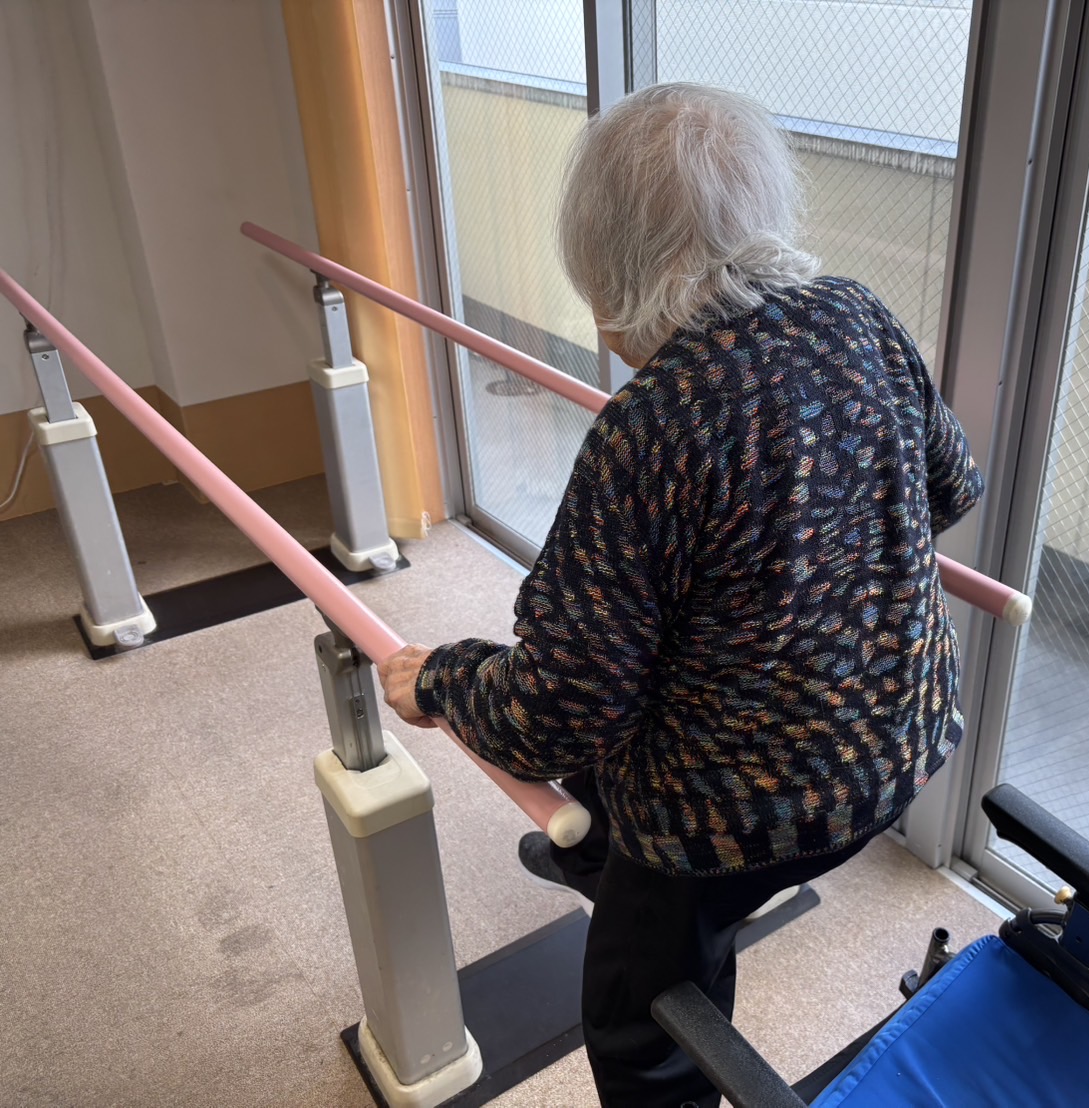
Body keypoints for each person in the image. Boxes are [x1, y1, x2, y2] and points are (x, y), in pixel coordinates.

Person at [378, 82, 984, 1107]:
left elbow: (556, 712)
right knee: (652, 673)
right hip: (904, 742)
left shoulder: (648, 429)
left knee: (634, 1008)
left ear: (617, 272)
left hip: (746, 813)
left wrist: (440, 679)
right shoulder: (859, 316)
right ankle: (604, 847)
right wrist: (811, 566)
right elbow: (949, 489)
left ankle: (645, 922)